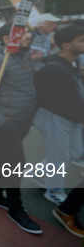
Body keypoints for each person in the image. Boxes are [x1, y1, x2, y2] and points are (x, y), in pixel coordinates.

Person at [0, 23, 42, 235]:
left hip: (22, 121)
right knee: (16, 163)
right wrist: (2, 122)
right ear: (7, 38)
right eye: (23, 33)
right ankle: (16, 208)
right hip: (5, 122)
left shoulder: (23, 56)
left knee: (3, 157)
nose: (29, 36)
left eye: (29, 32)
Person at [33, 25, 84, 204]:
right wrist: (77, 114)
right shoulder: (53, 68)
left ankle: (39, 171)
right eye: (81, 40)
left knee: (77, 150)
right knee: (58, 157)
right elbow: (50, 100)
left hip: (73, 117)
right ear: (66, 45)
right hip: (54, 117)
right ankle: (54, 191)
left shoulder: (74, 62)